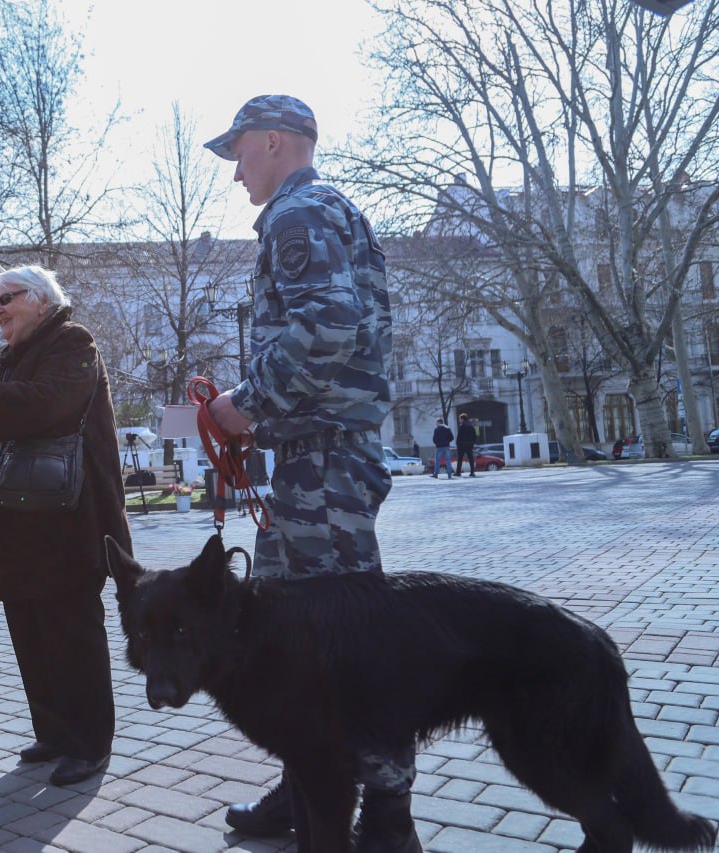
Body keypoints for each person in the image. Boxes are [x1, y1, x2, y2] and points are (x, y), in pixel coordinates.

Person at [201, 95, 418, 850]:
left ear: (272, 142)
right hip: (315, 456)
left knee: (345, 639)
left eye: (238, 156)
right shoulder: (327, 212)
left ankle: (389, 815)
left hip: (321, 459)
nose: (235, 175)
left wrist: (245, 402)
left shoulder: (300, 214)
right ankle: (306, 789)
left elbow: (326, 322)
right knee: (292, 637)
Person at [0, 265, 131, 788]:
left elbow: (45, 408)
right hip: (21, 519)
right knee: (31, 631)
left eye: (7, 300)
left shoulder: (73, 343)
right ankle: (55, 732)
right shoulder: (16, 359)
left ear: (40, 300)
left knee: (70, 631)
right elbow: (3, 427)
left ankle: (89, 744)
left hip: (68, 521)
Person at [455, 412, 478, 477]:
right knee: (471, 458)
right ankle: (472, 472)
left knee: (460, 459)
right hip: (470, 444)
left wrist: (457, 443)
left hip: (462, 444)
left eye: (460, 419)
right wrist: (472, 442)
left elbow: (459, 436)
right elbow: (474, 436)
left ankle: (458, 472)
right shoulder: (471, 426)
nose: (459, 420)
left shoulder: (461, 426)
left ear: (462, 419)